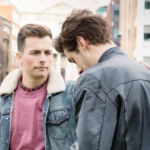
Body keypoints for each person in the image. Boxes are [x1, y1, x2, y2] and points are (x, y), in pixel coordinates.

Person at [54, 9, 150, 150]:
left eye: (73, 60)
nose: (79, 70)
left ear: (81, 43)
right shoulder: (145, 72)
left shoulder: (94, 79)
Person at [0, 24, 76, 150]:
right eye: (35, 53)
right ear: (19, 58)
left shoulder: (70, 94)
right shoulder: (3, 98)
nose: (43, 59)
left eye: (47, 53)